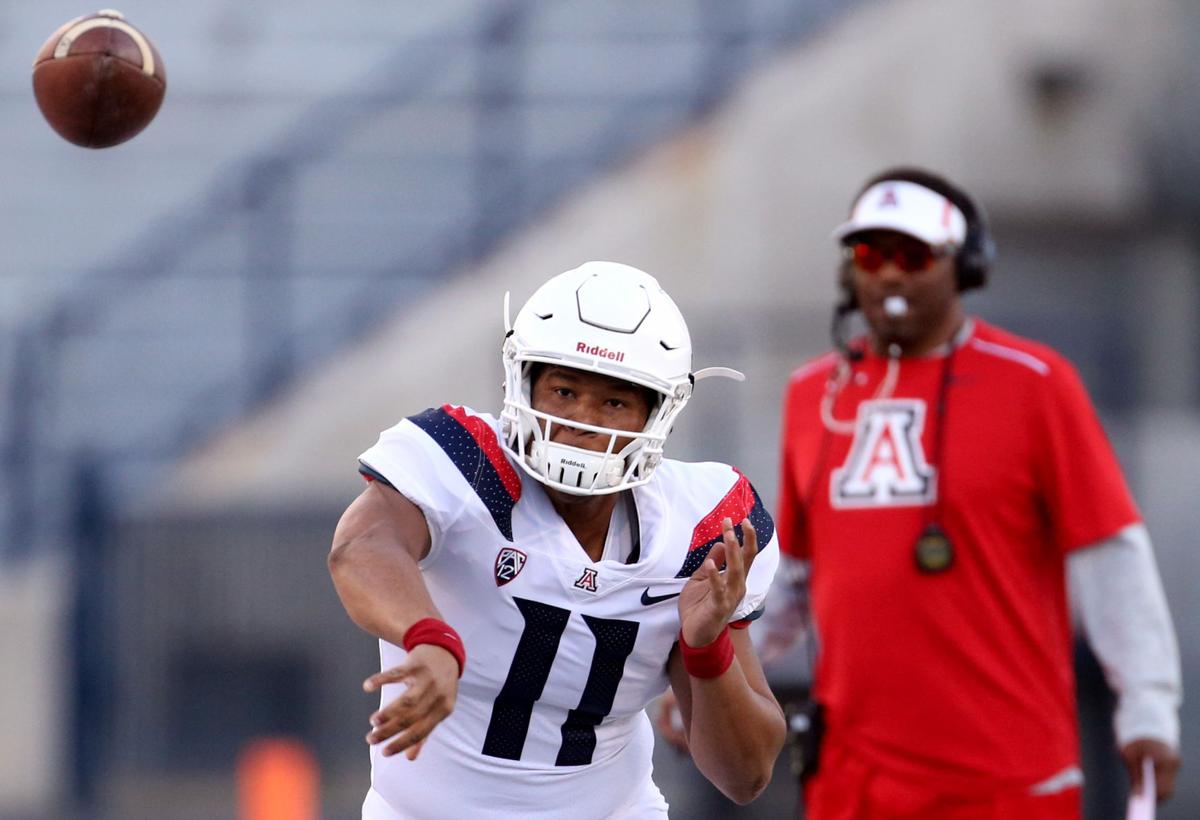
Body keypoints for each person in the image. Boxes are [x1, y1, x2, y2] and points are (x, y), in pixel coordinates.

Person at [761, 167, 1183, 818]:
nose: (891, 275)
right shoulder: (814, 392)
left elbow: (1110, 554)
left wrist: (1148, 705)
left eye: (913, 255)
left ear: (965, 267)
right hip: (850, 785)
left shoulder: (1036, 383)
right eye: (872, 255)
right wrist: (712, 681)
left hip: (1007, 783)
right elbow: (789, 579)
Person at [329, 260, 786, 819]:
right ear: (522, 383)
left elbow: (745, 775)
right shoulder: (467, 461)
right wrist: (429, 639)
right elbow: (362, 546)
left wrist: (705, 645)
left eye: (614, 402)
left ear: (656, 414)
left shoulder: (700, 526)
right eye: (564, 390)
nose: (582, 420)